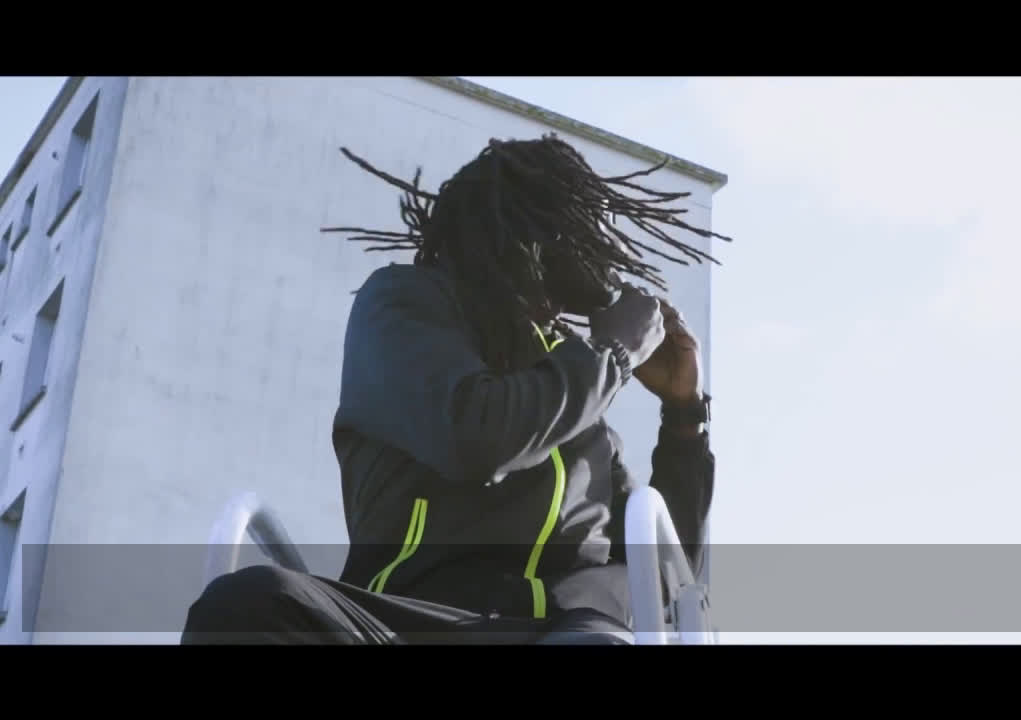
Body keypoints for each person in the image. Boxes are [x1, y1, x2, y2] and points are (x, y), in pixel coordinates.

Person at [181, 134, 732, 644]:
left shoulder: (580, 396)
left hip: (557, 632)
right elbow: (473, 436)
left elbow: (666, 575)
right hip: (409, 619)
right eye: (587, 224)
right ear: (536, 233)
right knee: (246, 602)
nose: (604, 246)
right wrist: (612, 354)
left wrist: (684, 413)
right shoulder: (404, 304)